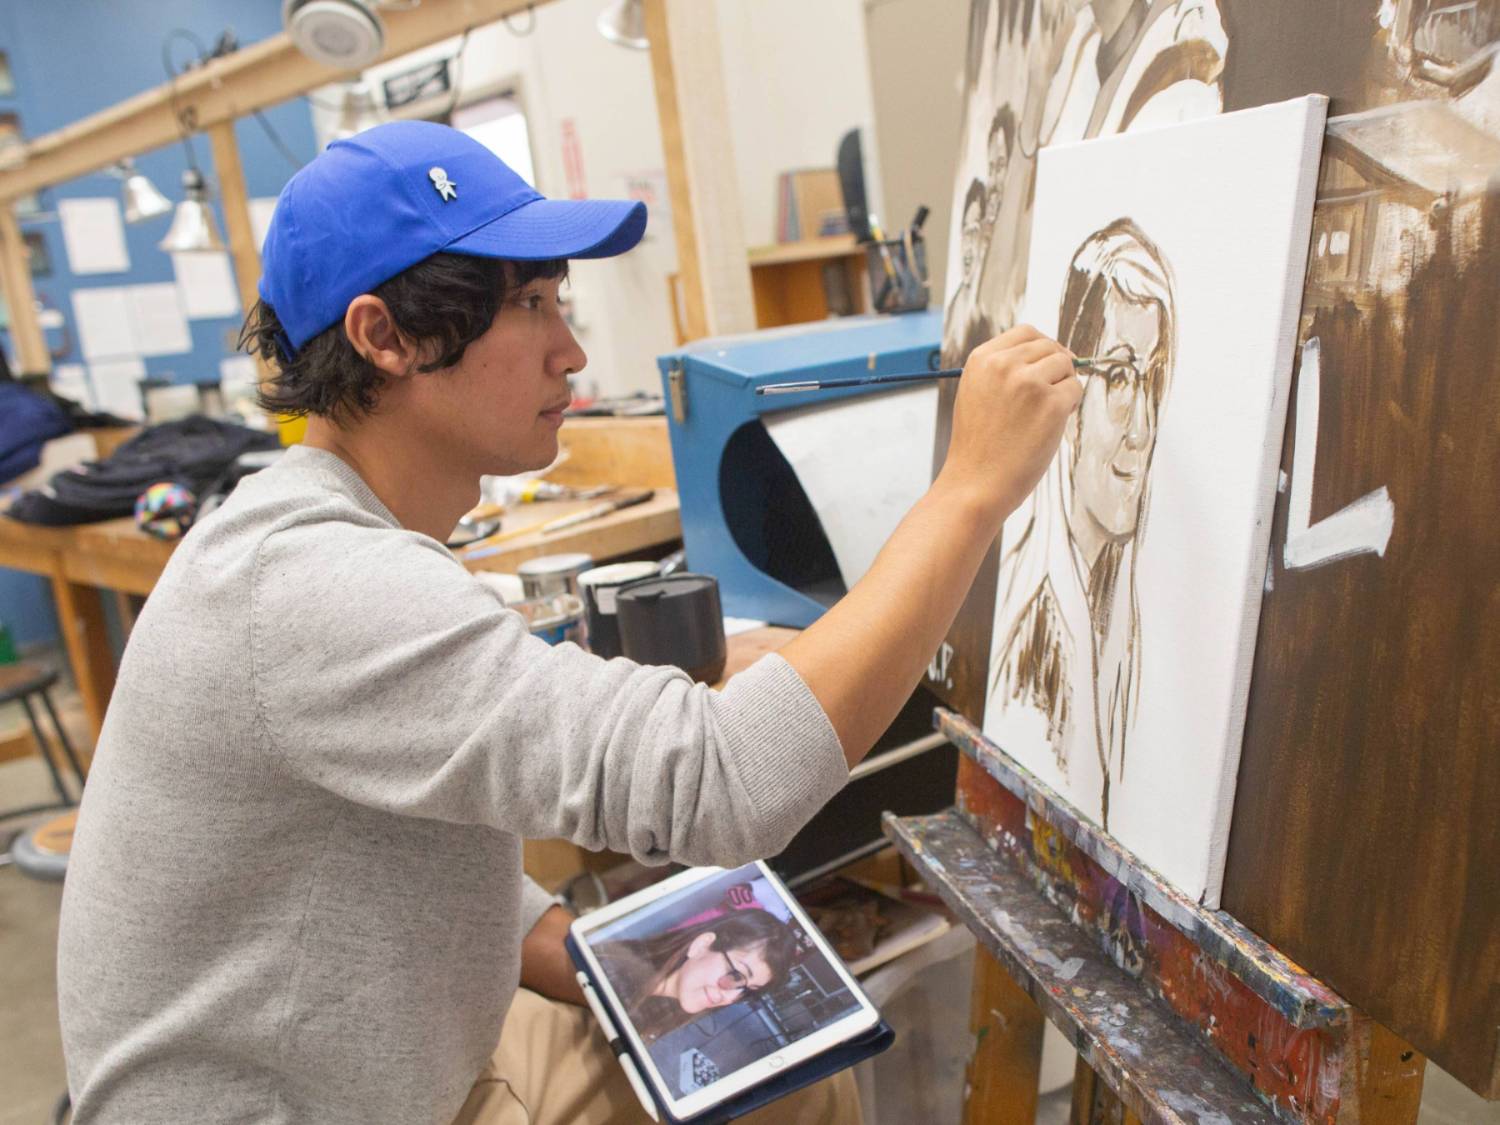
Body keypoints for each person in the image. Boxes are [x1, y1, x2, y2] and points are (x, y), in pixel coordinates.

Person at [56, 120, 1083, 1125]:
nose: (573, 350)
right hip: (301, 1101)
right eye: (532, 305)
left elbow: (388, 841)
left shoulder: (332, 535)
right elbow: (728, 781)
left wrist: (604, 964)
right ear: (384, 336)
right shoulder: (317, 585)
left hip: (396, 1059)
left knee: (782, 1068)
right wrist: (971, 488)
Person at [987, 217, 1174, 827]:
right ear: (1066, 401)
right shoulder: (1037, 636)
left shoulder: (1121, 620)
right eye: (1118, 377)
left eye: (1152, 379)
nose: (1142, 429)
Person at [593, 909, 797, 1044]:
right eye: (736, 976)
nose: (729, 997)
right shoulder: (606, 975)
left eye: (746, 991)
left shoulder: (664, 1015)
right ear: (701, 945)